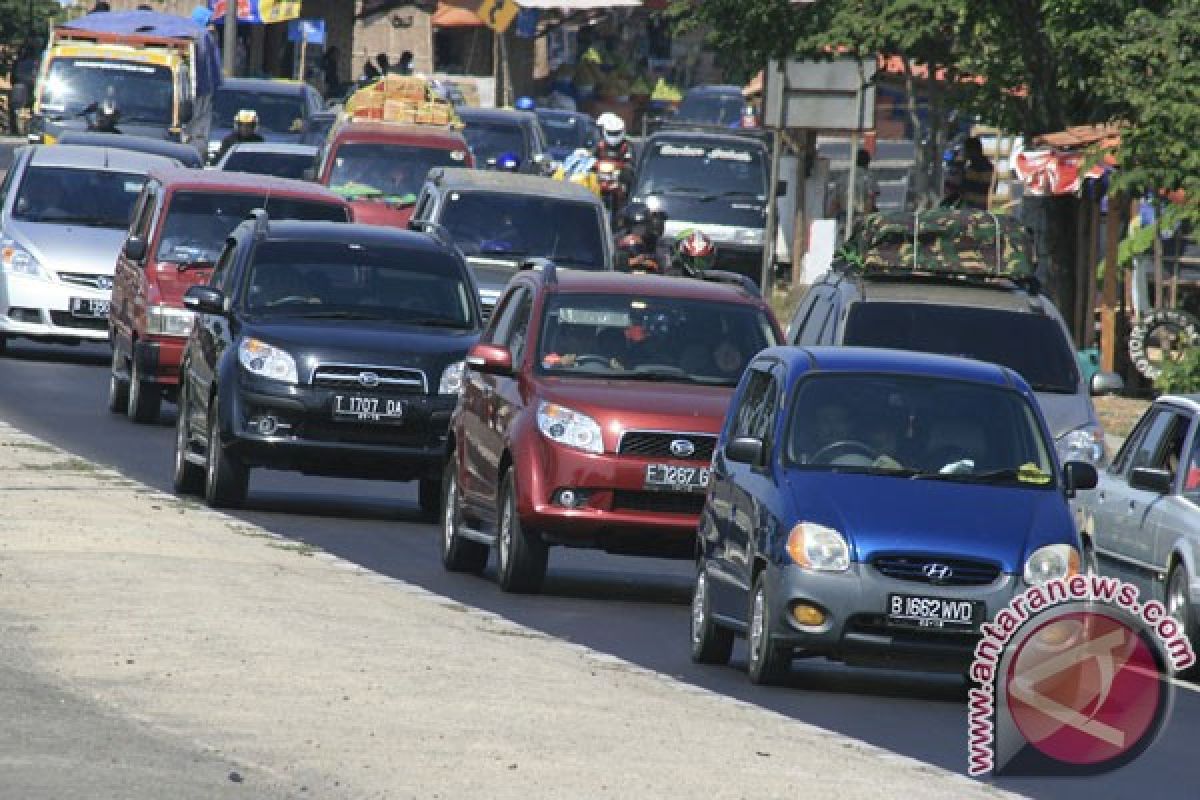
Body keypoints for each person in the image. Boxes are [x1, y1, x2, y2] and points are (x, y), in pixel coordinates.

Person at [830, 148, 879, 226]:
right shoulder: (870, 177)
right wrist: (866, 218)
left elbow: (835, 201)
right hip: (862, 216)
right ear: (868, 162)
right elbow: (871, 199)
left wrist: (829, 218)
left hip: (844, 215)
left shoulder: (843, 176)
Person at [944, 136, 994, 209]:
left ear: (973, 151)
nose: (965, 152)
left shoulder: (974, 168)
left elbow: (961, 188)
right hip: (978, 208)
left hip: (973, 208)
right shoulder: (988, 167)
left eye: (966, 150)